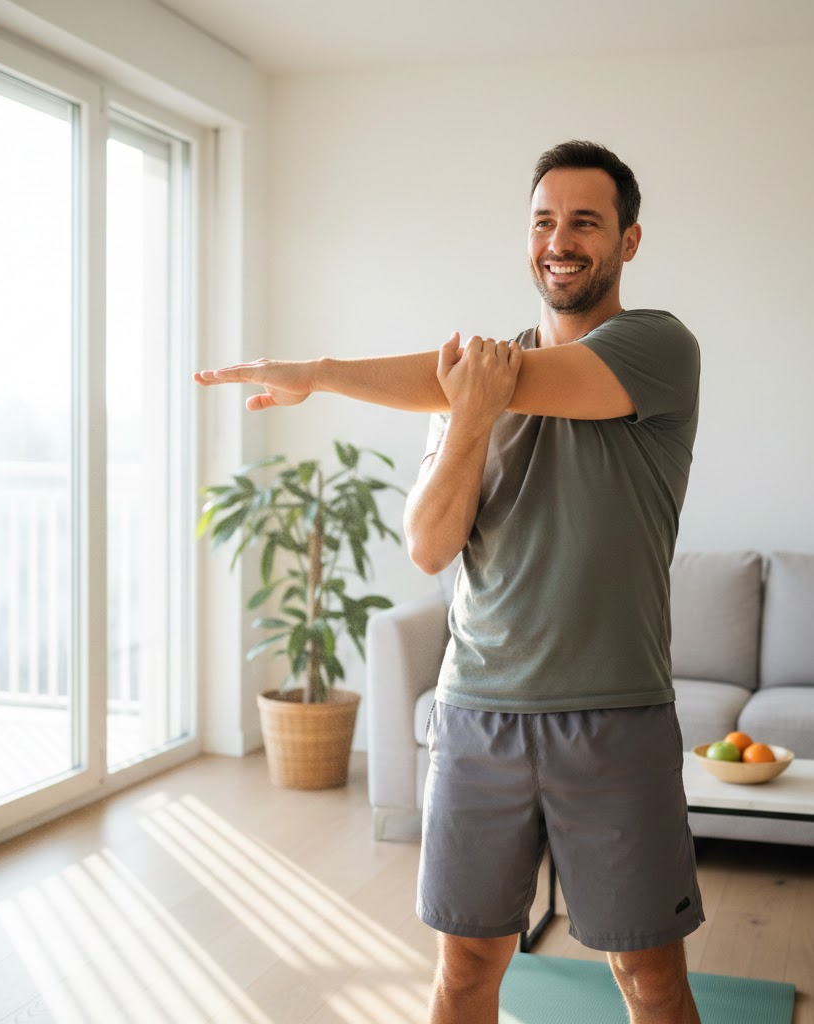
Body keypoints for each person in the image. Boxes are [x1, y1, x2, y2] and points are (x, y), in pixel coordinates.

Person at [195, 140, 703, 1024]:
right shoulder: (473, 381)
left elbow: (528, 383)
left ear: (627, 241)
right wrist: (460, 411)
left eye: (585, 221)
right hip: (476, 716)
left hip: (613, 716)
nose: (559, 240)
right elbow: (429, 547)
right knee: (465, 972)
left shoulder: (657, 347)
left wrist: (338, 378)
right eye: (543, 221)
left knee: (649, 980)